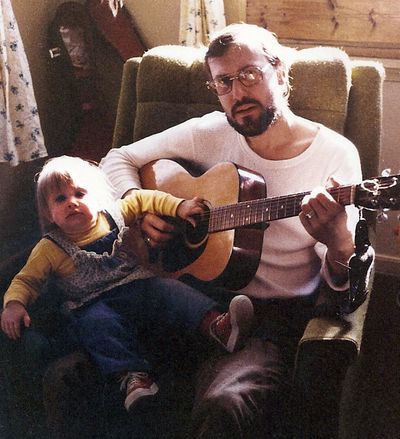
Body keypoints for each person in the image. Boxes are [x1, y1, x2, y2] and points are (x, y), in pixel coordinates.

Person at [100, 23, 363, 438]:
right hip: (187, 295)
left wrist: (337, 242)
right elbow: (118, 159)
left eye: (249, 74)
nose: (237, 93)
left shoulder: (334, 155)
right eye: (224, 82)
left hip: (269, 321)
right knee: (82, 370)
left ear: (280, 72)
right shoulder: (210, 132)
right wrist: (141, 206)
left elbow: (346, 280)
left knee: (224, 405)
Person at [0, 155, 255, 413]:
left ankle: (218, 326)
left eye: (79, 193)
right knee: (97, 326)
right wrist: (14, 303)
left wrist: (180, 207)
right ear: (48, 213)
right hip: (92, 303)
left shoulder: (114, 214)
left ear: (97, 196)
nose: (72, 203)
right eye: (60, 199)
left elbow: (146, 198)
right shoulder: (49, 248)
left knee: (169, 291)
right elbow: (27, 279)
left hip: (137, 285)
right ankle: (132, 377)